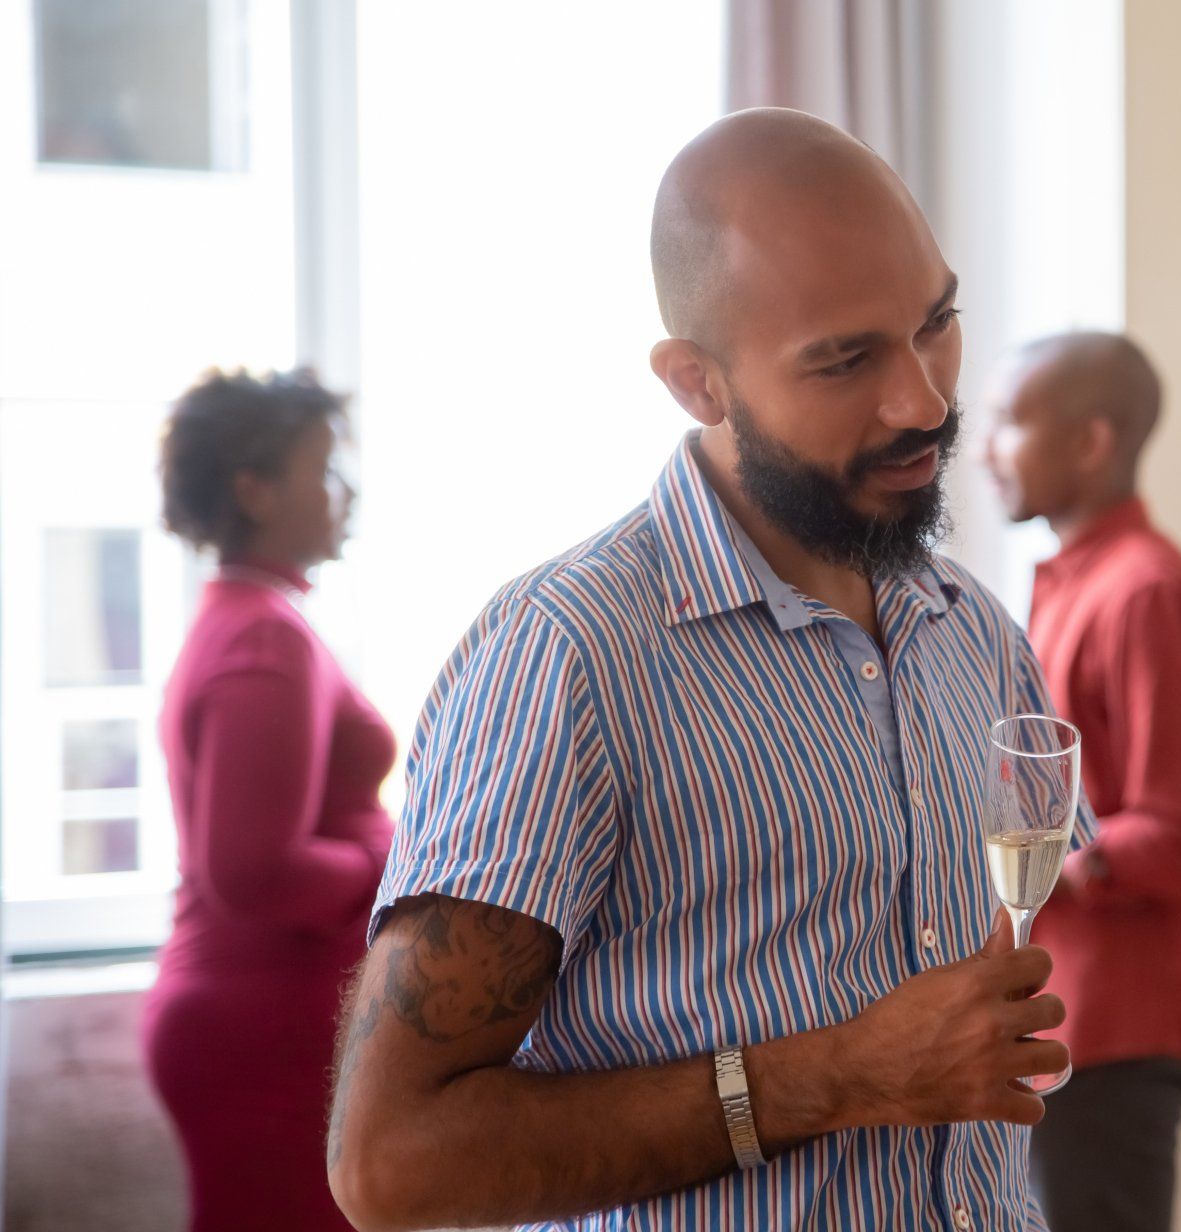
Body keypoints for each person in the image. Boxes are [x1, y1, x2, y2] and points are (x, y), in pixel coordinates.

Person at [326, 109, 1092, 1232]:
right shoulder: (569, 657)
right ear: (698, 382)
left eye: (937, 324)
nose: (924, 400)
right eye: (845, 359)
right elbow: (392, 1165)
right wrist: (837, 1072)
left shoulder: (972, 628)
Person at [982, 332, 1181, 1232]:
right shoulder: (1075, 586)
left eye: (1011, 424)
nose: (984, 451)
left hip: (1116, 1028)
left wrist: (1043, 856)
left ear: (1091, 443)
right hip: (1066, 1022)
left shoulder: (1145, 595)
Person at [144, 368, 394, 1232]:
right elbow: (251, 873)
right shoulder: (263, 638)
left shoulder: (255, 619)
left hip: (263, 1019)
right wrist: (393, 855)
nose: (347, 492)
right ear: (253, 489)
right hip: (259, 1029)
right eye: (325, 471)